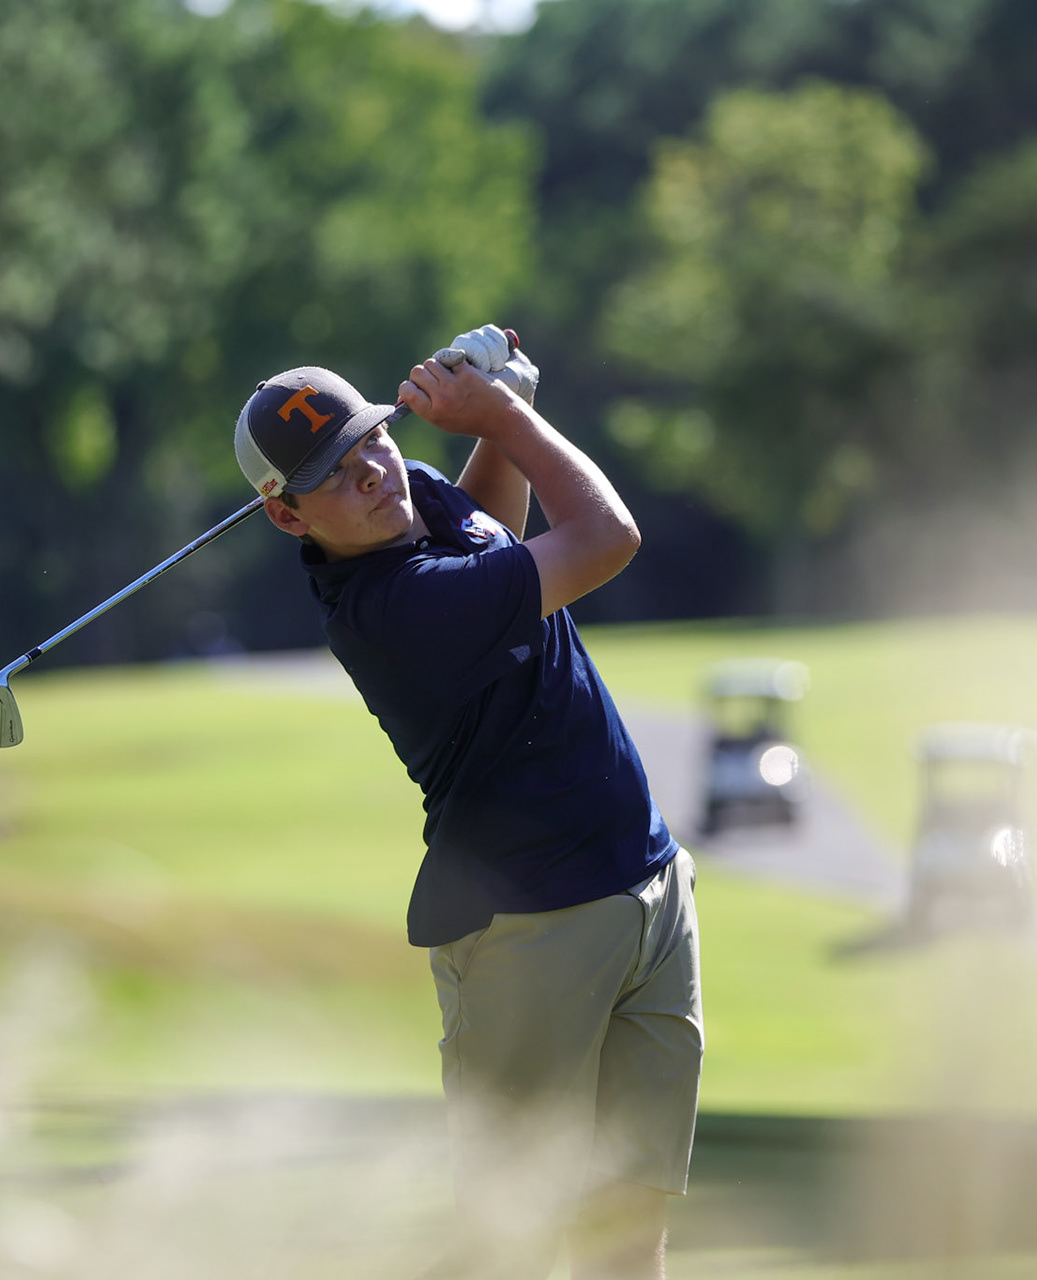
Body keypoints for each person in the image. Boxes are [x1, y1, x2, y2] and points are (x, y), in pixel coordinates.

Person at [233, 327, 702, 1279]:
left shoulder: (415, 511)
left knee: (628, 1223)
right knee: (508, 1238)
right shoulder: (392, 609)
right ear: (288, 518)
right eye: (331, 468)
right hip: (531, 926)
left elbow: (494, 541)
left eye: (370, 435)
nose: (369, 467)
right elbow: (609, 538)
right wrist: (505, 414)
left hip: (645, 888)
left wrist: (496, 417)